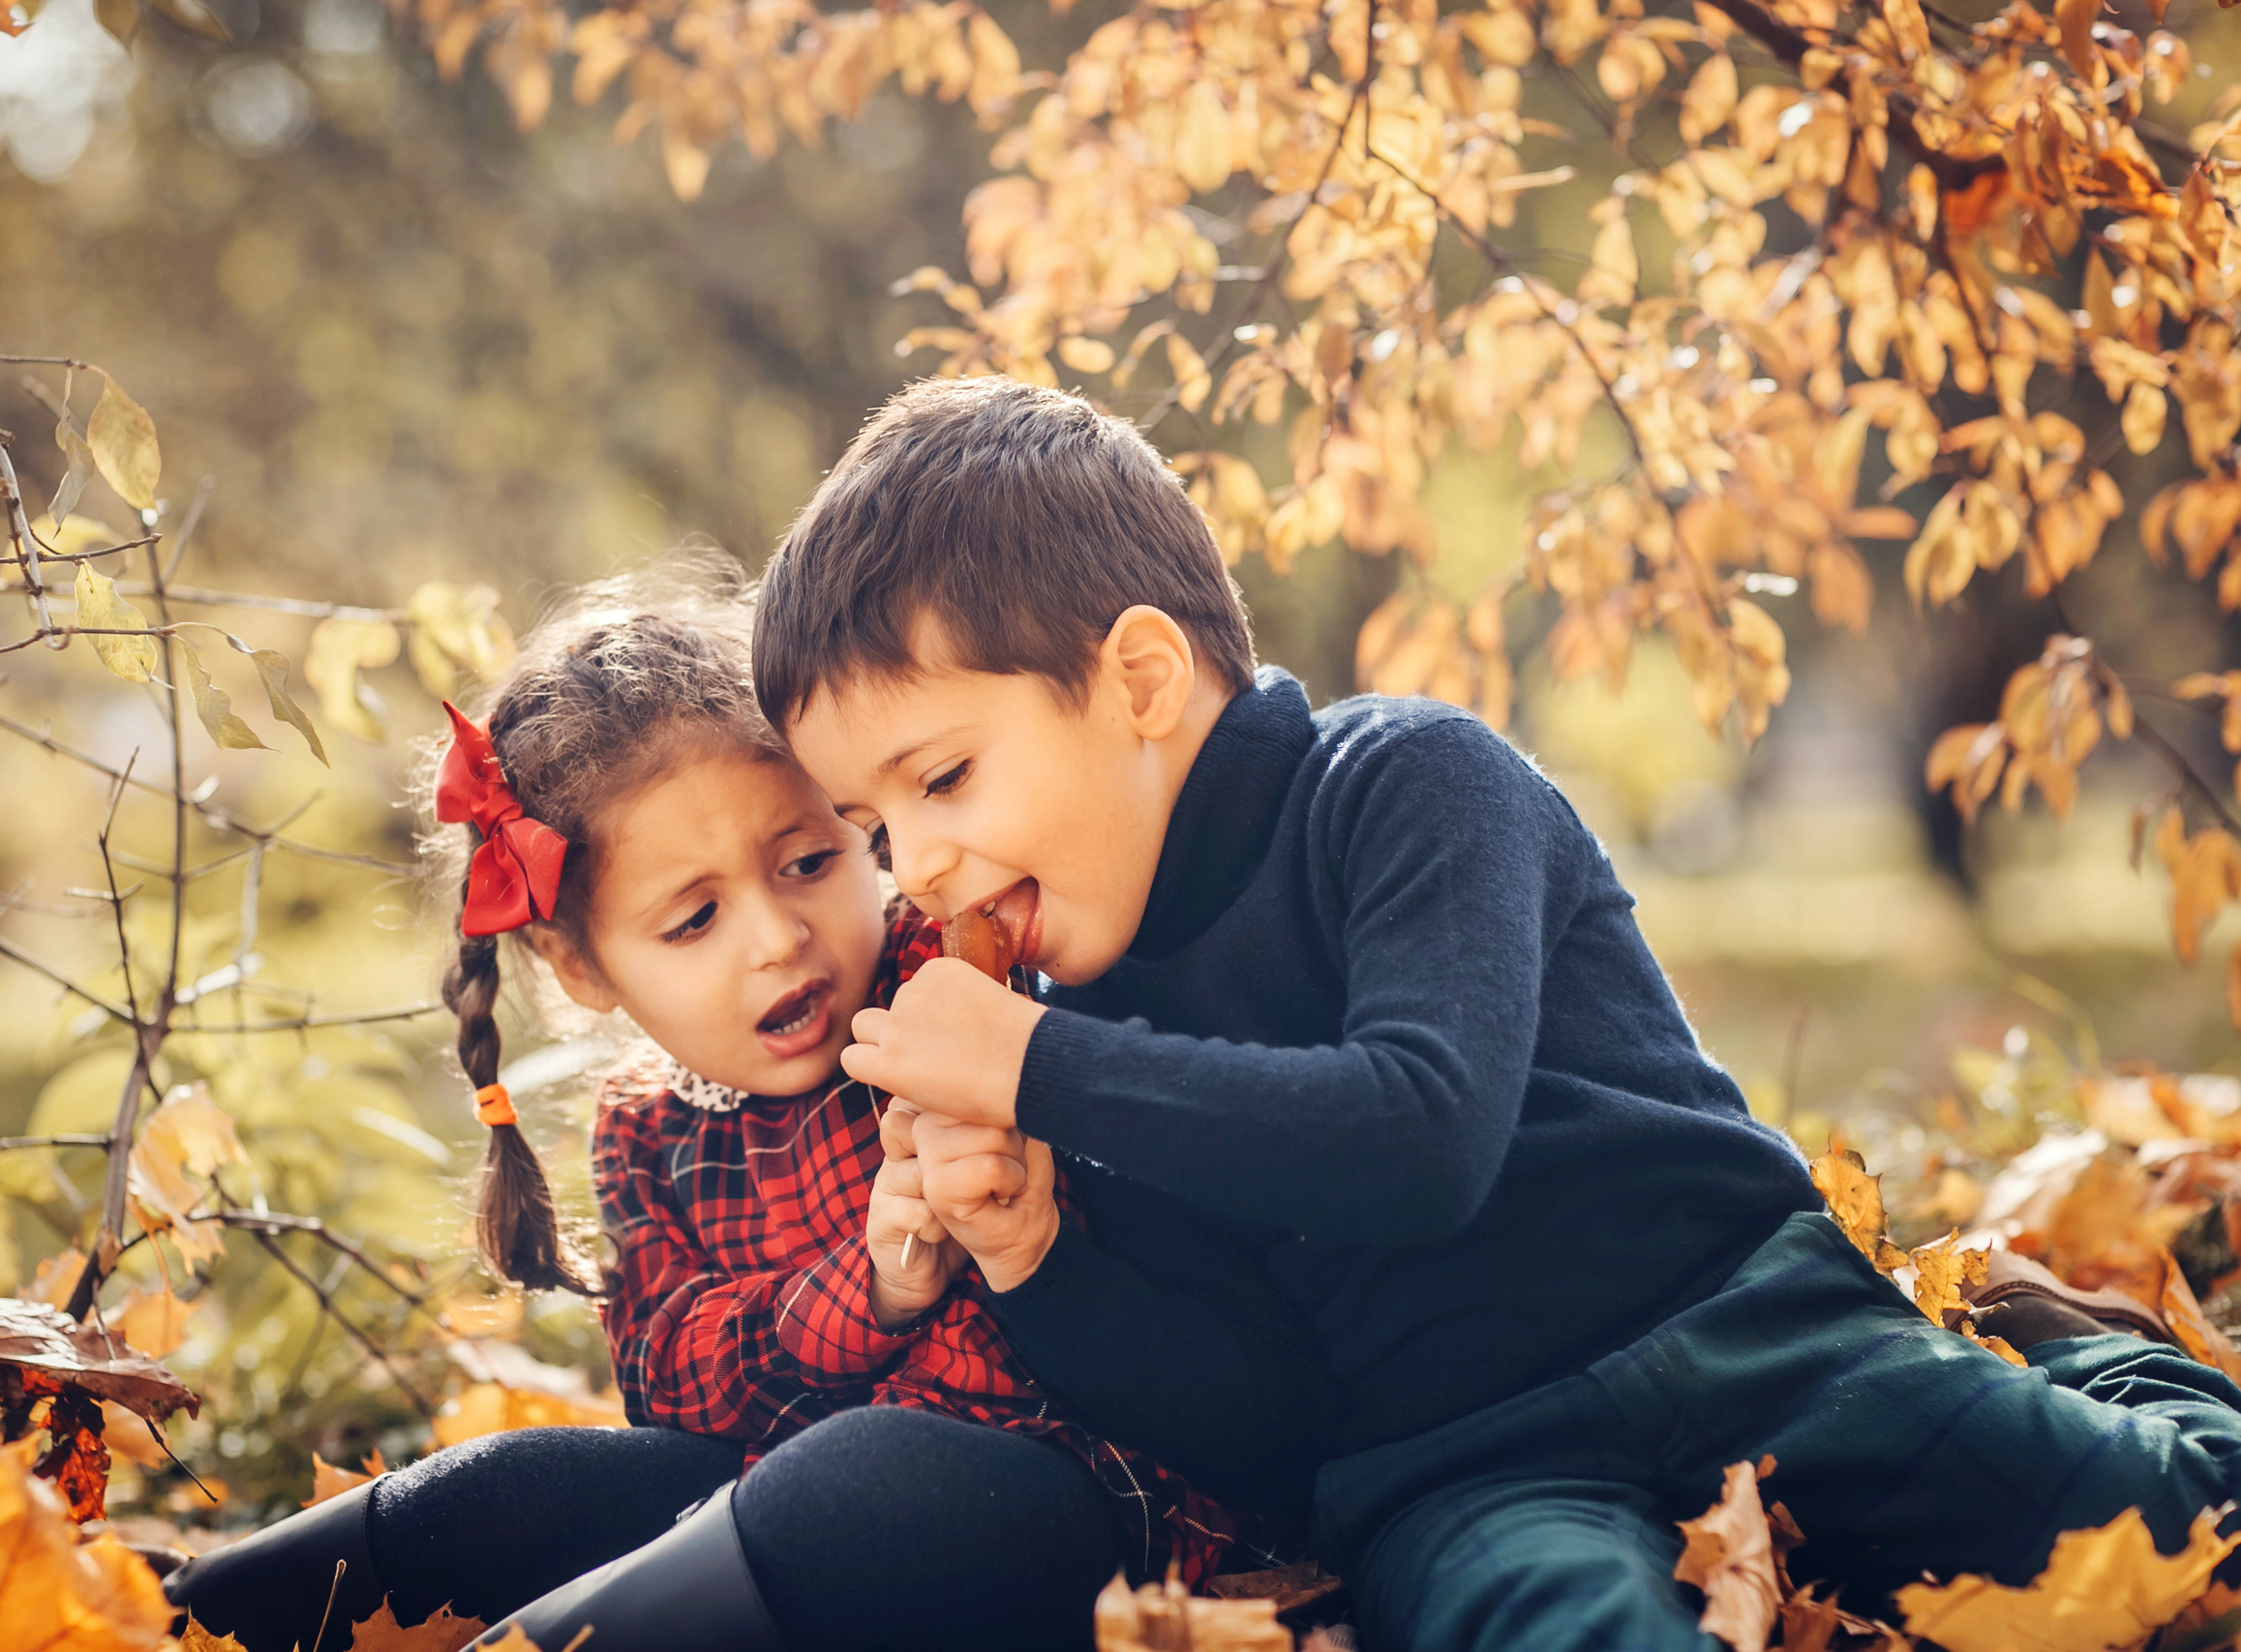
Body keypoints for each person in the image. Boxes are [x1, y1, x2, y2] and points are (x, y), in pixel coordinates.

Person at [746, 375, 2241, 1652]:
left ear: (1139, 676)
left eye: (941, 779)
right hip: (1460, 1468)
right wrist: (1039, 1251)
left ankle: (2075, 1350)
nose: (916, 863)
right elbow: (1265, 1419)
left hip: (1749, 1322)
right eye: (874, 823)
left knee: (2186, 1531)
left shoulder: (1403, 782)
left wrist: (1049, 1065)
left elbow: (1420, 1131)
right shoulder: (1077, 1032)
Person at [164, 574, 1315, 1652]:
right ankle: (158, 1619)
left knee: (859, 1475)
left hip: (1073, 1517)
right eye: (692, 920)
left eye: (810, 861)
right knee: (526, 1484)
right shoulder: (645, 1133)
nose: (775, 937)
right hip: (767, 1514)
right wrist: (869, 1290)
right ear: (584, 969)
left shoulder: (968, 990)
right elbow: (673, 1384)